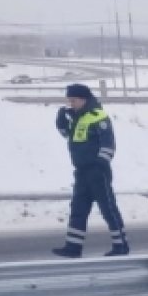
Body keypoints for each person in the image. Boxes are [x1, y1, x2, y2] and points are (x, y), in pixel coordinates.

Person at [51, 84, 129, 258]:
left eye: (73, 100)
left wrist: (100, 164)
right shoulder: (78, 118)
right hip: (81, 172)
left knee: (108, 208)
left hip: (97, 172)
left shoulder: (97, 116)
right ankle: (73, 247)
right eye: (69, 101)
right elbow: (68, 136)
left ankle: (121, 245)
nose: (70, 104)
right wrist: (61, 122)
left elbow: (108, 144)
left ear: (83, 99)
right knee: (78, 208)